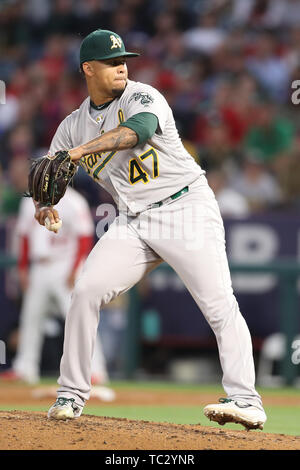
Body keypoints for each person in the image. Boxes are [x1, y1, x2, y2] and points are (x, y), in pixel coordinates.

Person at [34, 29, 266, 430]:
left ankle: (246, 400)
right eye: (111, 61)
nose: (122, 65)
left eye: (124, 58)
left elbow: (134, 133)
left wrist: (76, 153)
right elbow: (48, 175)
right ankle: (71, 393)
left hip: (185, 207)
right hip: (134, 221)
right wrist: (44, 206)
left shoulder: (142, 96)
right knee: (86, 290)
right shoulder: (73, 126)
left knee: (218, 305)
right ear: (88, 69)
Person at [4, 186, 110, 389]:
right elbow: (24, 236)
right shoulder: (30, 201)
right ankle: (25, 368)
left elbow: (84, 237)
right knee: (30, 318)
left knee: (80, 318)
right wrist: (23, 269)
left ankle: (95, 370)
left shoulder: (73, 200)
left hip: (65, 266)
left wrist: (75, 269)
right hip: (39, 267)